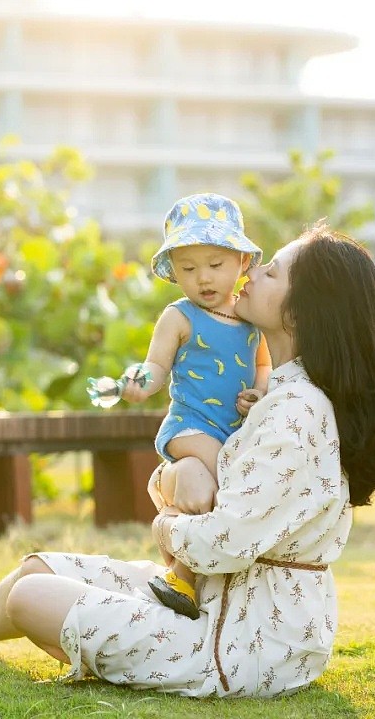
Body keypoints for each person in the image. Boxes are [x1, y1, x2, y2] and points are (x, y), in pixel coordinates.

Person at [0, 222, 375, 698]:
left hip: (243, 645)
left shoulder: (295, 412)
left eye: (274, 272)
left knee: (31, 596)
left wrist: (167, 517)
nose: (252, 271)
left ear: (304, 312)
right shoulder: (269, 396)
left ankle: (75, 646)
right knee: (36, 568)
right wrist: (175, 477)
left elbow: (224, 543)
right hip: (210, 603)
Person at [115, 192, 271, 619]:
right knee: (231, 479)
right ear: (174, 273)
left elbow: (263, 365)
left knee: (205, 497)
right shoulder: (179, 316)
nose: (203, 278)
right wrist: (137, 382)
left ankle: (181, 575)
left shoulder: (251, 319)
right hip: (190, 428)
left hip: (230, 432)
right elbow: (155, 367)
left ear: (241, 263)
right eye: (188, 268)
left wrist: (258, 392)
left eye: (215, 265)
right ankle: (180, 566)